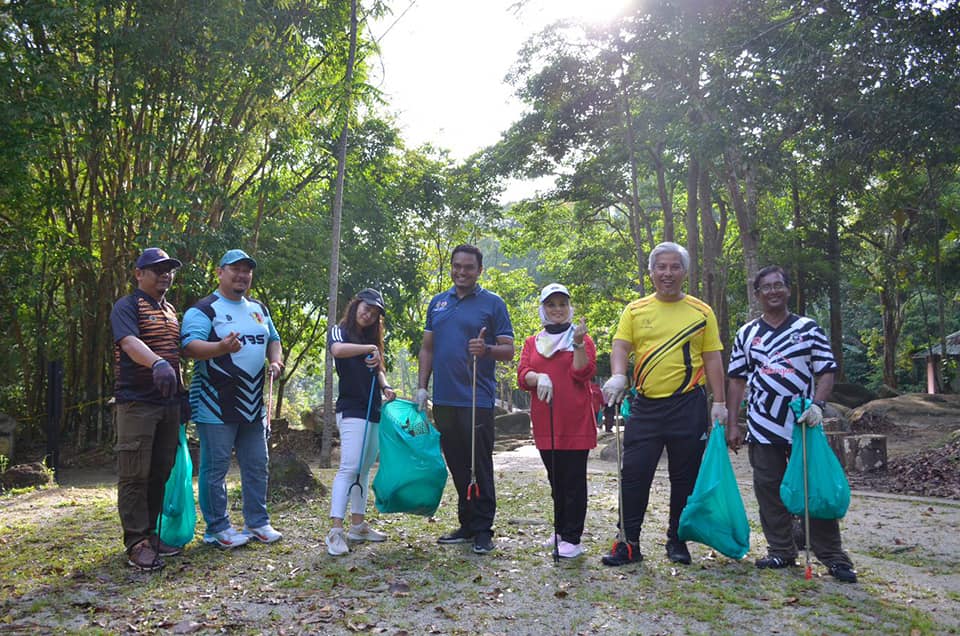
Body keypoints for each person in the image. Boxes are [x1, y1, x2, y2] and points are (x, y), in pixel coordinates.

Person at [726, 265, 857, 583]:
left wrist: (817, 405)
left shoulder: (808, 328)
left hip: (803, 425)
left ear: (788, 290)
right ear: (757, 295)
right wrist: (733, 423)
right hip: (761, 426)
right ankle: (781, 550)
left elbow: (827, 370)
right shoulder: (747, 334)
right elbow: (736, 380)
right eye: (765, 287)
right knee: (769, 490)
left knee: (813, 490)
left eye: (778, 285)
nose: (772, 291)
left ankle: (832, 556)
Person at [600, 241, 727, 567]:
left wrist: (721, 402)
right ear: (652, 271)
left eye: (674, 267)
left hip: (689, 404)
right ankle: (628, 543)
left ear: (684, 272)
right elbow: (621, 346)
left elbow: (712, 358)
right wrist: (617, 375)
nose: (667, 273)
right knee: (634, 474)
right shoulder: (635, 309)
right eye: (661, 267)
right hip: (645, 406)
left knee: (684, 477)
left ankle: (677, 541)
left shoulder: (702, 312)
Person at [181, 249, 284, 549]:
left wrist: (275, 362)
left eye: (247, 271)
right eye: (235, 269)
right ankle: (218, 528)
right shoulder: (203, 310)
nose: (242, 276)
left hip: (253, 403)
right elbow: (189, 346)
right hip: (215, 402)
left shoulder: (258, 309)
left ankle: (257, 522)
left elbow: (273, 339)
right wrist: (221, 347)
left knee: (257, 464)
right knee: (215, 468)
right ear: (219, 272)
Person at [416, 244, 515, 555]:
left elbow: (509, 351)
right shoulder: (438, 303)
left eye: (468, 267)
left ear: (479, 270)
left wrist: (485, 349)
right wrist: (422, 386)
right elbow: (428, 348)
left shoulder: (493, 304)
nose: (461, 272)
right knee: (457, 464)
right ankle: (467, 524)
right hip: (444, 399)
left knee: (479, 465)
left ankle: (484, 528)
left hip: (477, 398)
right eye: (457, 266)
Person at [110, 247, 186, 571]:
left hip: (167, 404)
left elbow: (175, 356)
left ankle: (151, 534)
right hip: (137, 402)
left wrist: (182, 396)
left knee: (160, 471)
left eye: (168, 269)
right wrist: (155, 362)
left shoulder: (170, 310)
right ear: (139, 274)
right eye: (157, 269)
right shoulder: (126, 306)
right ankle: (135, 542)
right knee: (134, 474)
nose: (164, 273)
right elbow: (129, 342)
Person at [517, 283, 597, 559]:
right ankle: (561, 530)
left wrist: (576, 343)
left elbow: (582, 372)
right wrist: (538, 377)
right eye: (551, 305)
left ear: (569, 307)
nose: (557, 310)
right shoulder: (533, 342)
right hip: (545, 421)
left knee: (573, 480)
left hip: (574, 421)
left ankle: (573, 537)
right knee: (556, 480)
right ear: (543, 309)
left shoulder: (581, 338)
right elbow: (522, 374)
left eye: (562, 304)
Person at [325, 288, 397, 556]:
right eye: (366, 308)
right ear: (356, 305)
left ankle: (358, 525)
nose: (368, 314)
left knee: (364, 469)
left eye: (375, 312)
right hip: (351, 408)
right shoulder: (339, 331)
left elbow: (378, 370)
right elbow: (337, 350)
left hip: (373, 409)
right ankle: (335, 531)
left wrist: (386, 387)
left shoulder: (373, 341)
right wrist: (369, 348)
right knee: (349, 467)